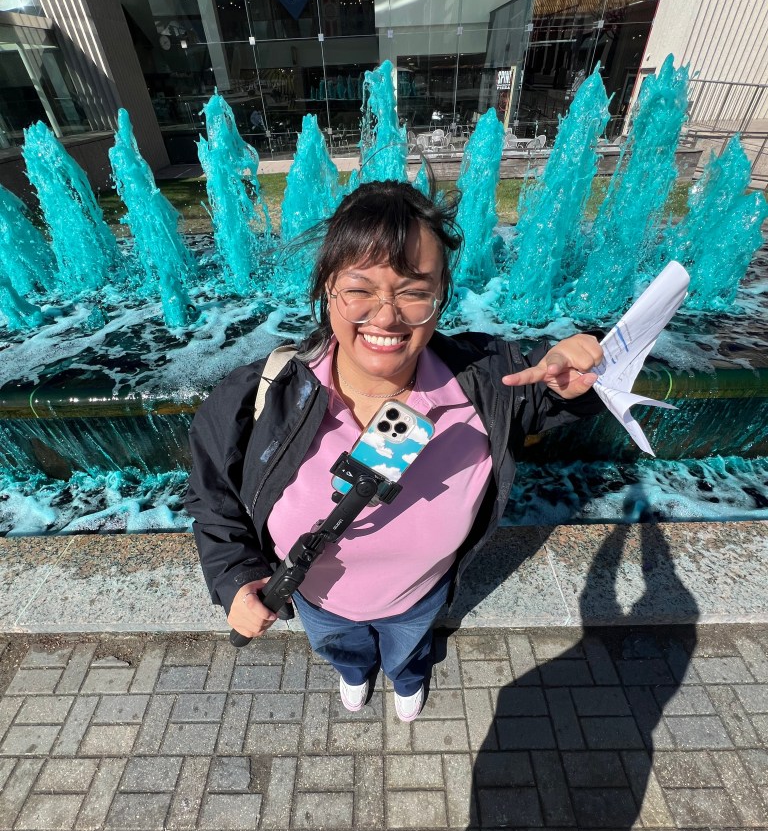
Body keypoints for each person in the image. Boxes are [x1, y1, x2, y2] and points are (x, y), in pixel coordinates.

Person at [185, 181, 604, 722]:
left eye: (413, 291)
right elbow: (212, 500)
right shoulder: (257, 395)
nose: (385, 317)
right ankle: (354, 672)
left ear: (440, 297)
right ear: (327, 289)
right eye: (360, 289)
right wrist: (234, 578)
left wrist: (579, 369)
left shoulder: (488, 381)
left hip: (420, 596)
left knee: (410, 646)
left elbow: (568, 391)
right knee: (340, 647)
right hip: (316, 599)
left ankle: (407, 676)